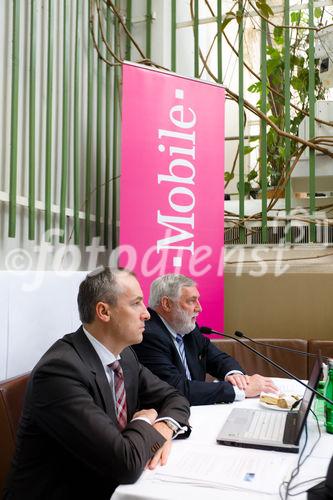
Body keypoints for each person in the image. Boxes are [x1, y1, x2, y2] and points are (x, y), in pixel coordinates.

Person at [4, 268, 190, 500]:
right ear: (103, 311)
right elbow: (126, 464)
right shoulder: (60, 372)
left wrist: (163, 427)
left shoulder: (126, 356)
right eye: (136, 304)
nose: (147, 314)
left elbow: (175, 398)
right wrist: (144, 420)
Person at [133, 274, 278, 406]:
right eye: (191, 301)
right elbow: (177, 389)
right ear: (167, 304)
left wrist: (235, 375)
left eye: (198, 300)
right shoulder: (148, 335)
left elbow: (216, 358)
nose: (199, 308)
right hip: (165, 417)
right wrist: (239, 390)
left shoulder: (188, 328)